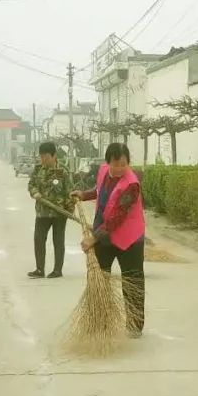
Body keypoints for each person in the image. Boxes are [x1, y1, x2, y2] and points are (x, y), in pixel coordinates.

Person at [72, 142, 146, 336]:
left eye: (124, 164)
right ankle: (100, 319)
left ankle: (135, 325)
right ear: (108, 162)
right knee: (99, 277)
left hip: (129, 239)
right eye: (116, 164)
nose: (120, 168)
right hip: (104, 236)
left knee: (133, 280)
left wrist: (93, 238)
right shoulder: (104, 171)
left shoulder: (132, 184)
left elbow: (117, 217)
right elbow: (99, 191)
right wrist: (84, 194)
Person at [27, 141, 73, 279]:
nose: (43, 160)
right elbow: (31, 184)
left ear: (54, 156)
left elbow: (69, 192)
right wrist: (34, 192)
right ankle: (39, 269)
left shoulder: (63, 171)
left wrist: (70, 209)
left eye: (46, 157)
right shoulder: (37, 170)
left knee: (58, 241)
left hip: (59, 213)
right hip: (42, 212)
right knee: (39, 239)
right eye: (41, 157)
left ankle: (57, 270)